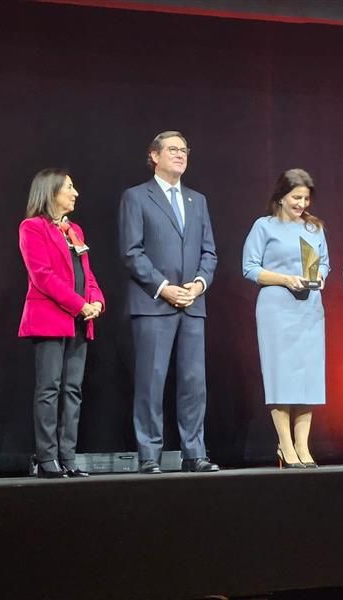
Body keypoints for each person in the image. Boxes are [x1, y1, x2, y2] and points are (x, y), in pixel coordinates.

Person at [119, 130, 218, 474]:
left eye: (184, 150)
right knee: (152, 380)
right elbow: (132, 252)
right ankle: (149, 454)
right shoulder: (136, 197)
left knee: (194, 383)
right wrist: (164, 287)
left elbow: (209, 251)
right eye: (173, 149)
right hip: (154, 303)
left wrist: (199, 284)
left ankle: (195, 453)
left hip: (192, 303)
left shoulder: (197, 200)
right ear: (154, 156)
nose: (180, 154)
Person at [19, 168, 105, 478]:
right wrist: (79, 304)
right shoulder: (32, 228)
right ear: (51, 192)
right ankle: (46, 458)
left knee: (72, 389)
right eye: (69, 187)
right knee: (49, 388)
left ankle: (68, 456)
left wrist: (95, 301)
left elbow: (87, 273)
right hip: (51, 319)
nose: (75, 192)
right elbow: (42, 276)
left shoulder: (74, 230)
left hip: (79, 321)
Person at [242, 169, 329, 468]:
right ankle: (285, 445)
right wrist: (284, 279)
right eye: (296, 197)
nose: (302, 203)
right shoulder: (264, 227)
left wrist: (318, 276)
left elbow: (325, 264)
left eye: (306, 198)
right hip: (277, 307)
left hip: (310, 308)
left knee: (308, 378)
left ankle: (303, 446)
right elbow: (250, 268)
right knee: (282, 377)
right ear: (281, 196)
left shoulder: (314, 228)